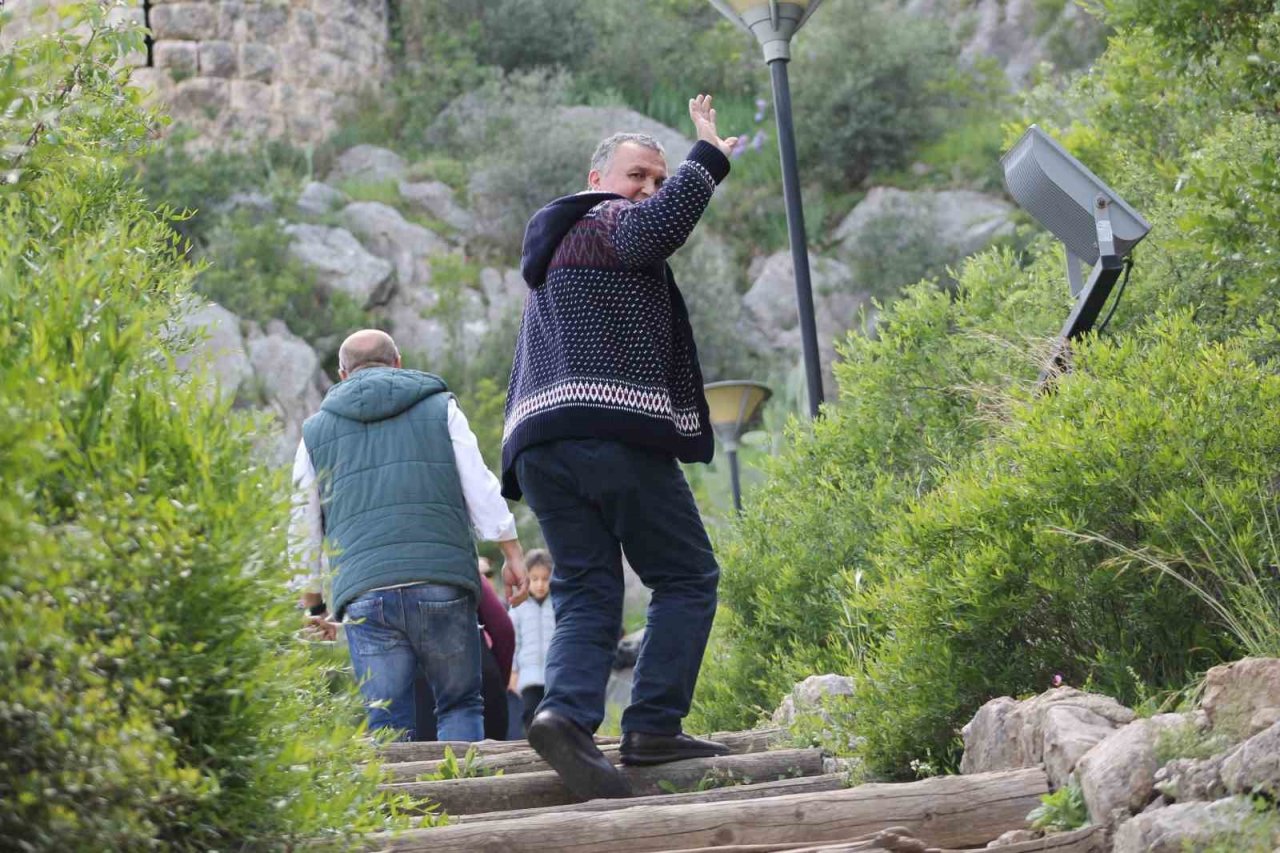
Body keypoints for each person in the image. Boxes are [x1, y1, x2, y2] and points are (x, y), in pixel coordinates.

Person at [499, 95, 737, 798]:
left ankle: (565, 719)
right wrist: (706, 156)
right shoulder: (599, 219)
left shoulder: (561, 245)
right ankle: (653, 725)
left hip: (543, 442)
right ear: (597, 175)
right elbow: (651, 232)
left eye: (659, 181)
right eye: (638, 174)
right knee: (688, 575)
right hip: (604, 429)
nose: (649, 191)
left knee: (589, 588)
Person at [292, 329, 529, 742]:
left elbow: (303, 523)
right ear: (397, 362)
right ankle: (468, 798)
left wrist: (313, 604)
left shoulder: (314, 433)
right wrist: (511, 551)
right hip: (442, 581)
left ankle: (398, 809)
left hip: (366, 591)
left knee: (386, 720)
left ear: (342, 374)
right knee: (459, 704)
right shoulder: (440, 408)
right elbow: (479, 483)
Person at [509, 549, 556, 731]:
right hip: (527, 677)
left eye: (545, 579)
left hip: (553, 676)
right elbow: (513, 642)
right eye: (534, 579)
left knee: (553, 718)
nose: (540, 584)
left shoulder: (557, 605)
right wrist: (512, 672)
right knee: (530, 717)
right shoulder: (518, 608)